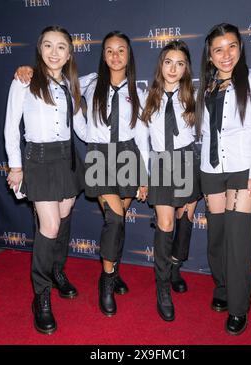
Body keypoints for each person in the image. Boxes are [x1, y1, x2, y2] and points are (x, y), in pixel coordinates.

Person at [5, 26, 87, 334]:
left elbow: (81, 127)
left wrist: (109, 139)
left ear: (69, 53)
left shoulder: (70, 84)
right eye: (49, 46)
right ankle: (41, 295)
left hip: (67, 158)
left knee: (64, 219)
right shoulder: (24, 81)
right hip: (38, 160)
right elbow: (11, 127)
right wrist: (15, 166)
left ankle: (57, 271)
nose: (55, 52)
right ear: (40, 49)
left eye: (61, 47)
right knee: (49, 226)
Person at [195, 23, 251, 335]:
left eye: (231, 47)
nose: (226, 55)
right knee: (217, 237)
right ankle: (224, 287)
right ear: (210, 56)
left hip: (243, 169)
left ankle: (239, 306)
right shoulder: (207, 86)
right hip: (211, 170)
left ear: (240, 48)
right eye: (218, 49)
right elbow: (202, 133)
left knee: (238, 239)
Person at [77, 31, 149, 316]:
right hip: (100, 157)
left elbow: (142, 137)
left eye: (121, 50)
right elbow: (61, 86)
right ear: (103, 55)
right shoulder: (90, 83)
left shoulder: (138, 92)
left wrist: (144, 176)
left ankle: (113, 269)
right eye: (110, 50)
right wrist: (84, 132)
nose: (115, 56)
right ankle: (106, 282)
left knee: (119, 224)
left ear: (129, 55)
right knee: (115, 220)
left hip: (129, 156)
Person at [141, 40, 201, 321]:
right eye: (168, 62)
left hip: (187, 160)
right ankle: (162, 287)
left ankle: (176, 266)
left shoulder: (195, 95)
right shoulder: (147, 96)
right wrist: (144, 172)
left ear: (186, 67)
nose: (173, 68)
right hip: (162, 162)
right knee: (165, 225)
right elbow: (142, 140)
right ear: (161, 65)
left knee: (184, 220)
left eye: (180, 63)